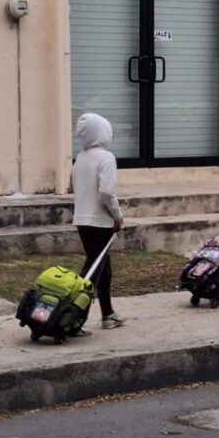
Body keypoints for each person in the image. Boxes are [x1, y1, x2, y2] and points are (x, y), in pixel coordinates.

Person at [72, 112, 125, 329]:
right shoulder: (106, 158)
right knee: (93, 271)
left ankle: (107, 314)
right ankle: (75, 317)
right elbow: (107, 192)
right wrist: (117, 215)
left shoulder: (80, 159)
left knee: (101, 267)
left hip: (82, 219)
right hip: (100, 221)